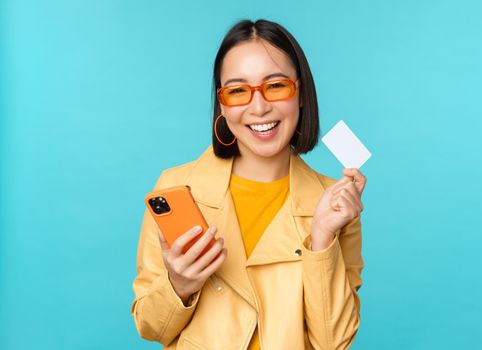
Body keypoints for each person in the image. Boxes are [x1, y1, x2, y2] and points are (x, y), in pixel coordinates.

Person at [131, 18, 367, 350]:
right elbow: (150, 326)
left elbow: (333, 342)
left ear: (300, 93)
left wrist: (322, 240)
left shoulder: (334, 204)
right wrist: (178, 285)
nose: (259, 107)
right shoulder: (177, 187)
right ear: (222, 104)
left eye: (276, 85)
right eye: (238, 91)